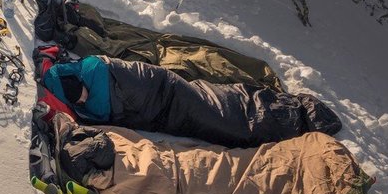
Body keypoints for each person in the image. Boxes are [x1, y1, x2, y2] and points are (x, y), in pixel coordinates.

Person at [43, 55, 341, 148]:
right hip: (152, 97)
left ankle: (296, 115)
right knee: (211, 112)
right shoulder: (67, 77)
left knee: (221, 117)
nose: (79, 99)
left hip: (159, 93)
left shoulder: (77, 79)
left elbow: (91, 95)